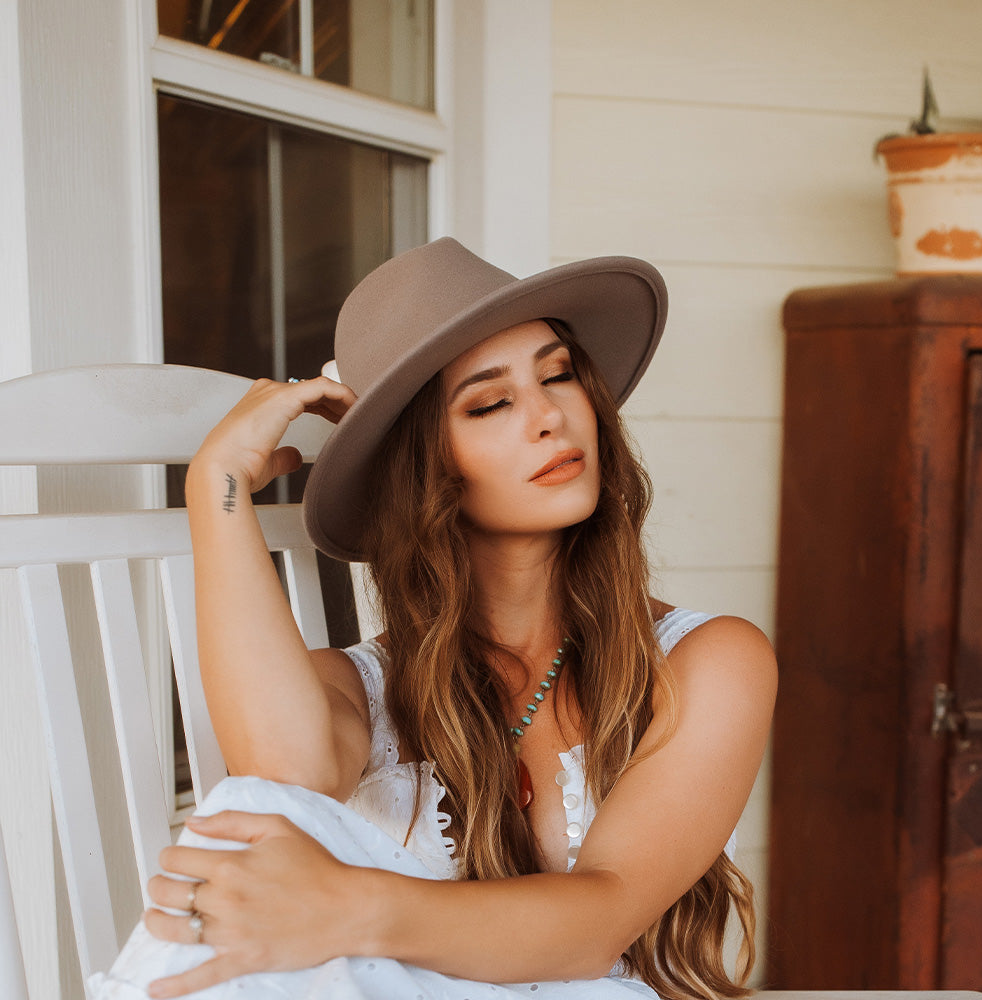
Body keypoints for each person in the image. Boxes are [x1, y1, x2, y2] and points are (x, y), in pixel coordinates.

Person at [87, 238, 776, 1000]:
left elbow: (600, 921)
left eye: (559, 374)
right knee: (251, 811)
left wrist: (348, 909)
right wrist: (214, 491)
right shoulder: (356, 691)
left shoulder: (707, 662)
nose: (550, 415)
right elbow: (285, 782)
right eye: (491, 402)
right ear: (421, 468)